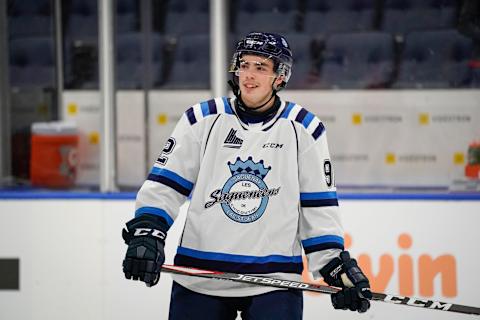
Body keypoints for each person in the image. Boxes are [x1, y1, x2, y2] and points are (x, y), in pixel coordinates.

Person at [121, 32, 372, 319]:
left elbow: (318, 207)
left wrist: (334, 266)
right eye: (245, 65)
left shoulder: (305, 128)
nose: (249, 76)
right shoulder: (202, 118)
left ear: (280, 77)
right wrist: (149, 232)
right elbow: (164, 186)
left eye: (261, 68)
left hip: (275, 281)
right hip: (201, 275)